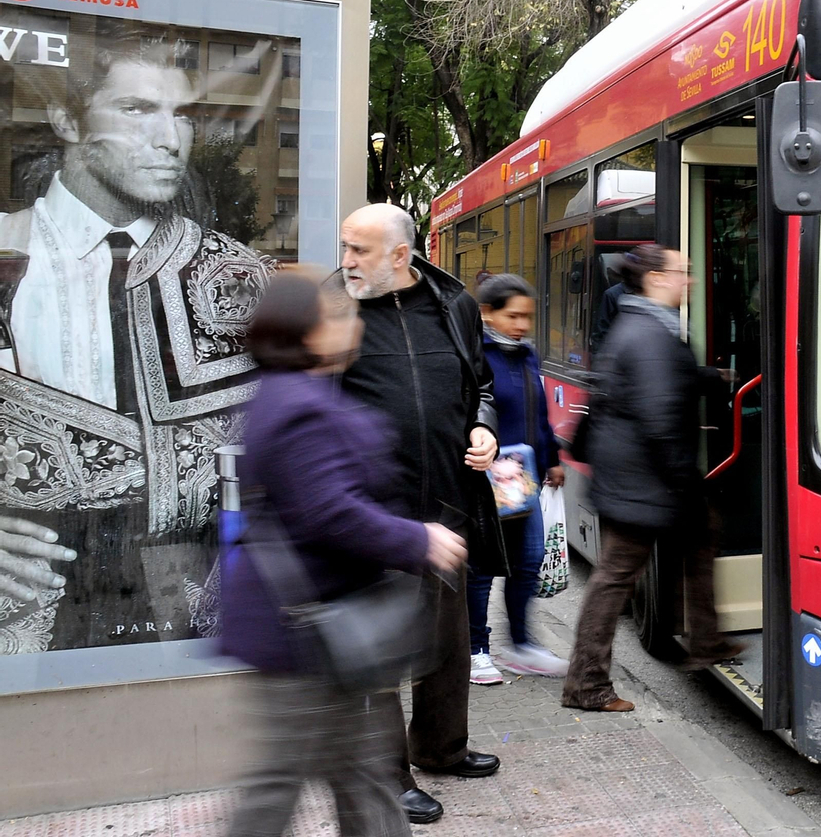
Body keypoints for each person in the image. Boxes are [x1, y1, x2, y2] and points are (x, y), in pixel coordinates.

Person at [0, 34, 271, 654]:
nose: (171, 140)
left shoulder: (236, 273)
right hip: (23, 610)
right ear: (67, 120)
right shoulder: (7, 252)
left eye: (183, 115)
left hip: (194, 605)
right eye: (136, 110)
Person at [221, 271, 467, 837]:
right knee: (279, 786)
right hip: (305, 634)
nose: (355, 326)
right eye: (341, 317)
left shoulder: (289, 392)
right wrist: (419, 538)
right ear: (310, 331)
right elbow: (329, 513)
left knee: (361, 776)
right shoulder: (301, 405)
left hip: (318, 631)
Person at [337, 203, 507, 825]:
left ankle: (440, 748)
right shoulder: (336, 308)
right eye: (346, 247)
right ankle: (387, 776)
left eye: (360, 250)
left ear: (401, 256)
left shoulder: (453, 304)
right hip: (373, 511)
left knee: (446, 640)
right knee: (379, 646)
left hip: (447, 503)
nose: (348, 261)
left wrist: (484, 429)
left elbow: (481, 387)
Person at [562, 245, 738, 713]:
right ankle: (587, 684)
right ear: (658, 279)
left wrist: (712, 377)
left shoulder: (638, 324)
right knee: (615, 578)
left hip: (635, 474)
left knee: (700, 542)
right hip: (646, 479)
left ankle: (706, 641)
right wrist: (685, 480)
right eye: (685, 272)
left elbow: (664, 379)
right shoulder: (651, 334)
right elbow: (659, 415)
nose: (691, 281)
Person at [467, 274, 568, 684]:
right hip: (484, 481)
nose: (522, 325)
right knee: (482, 571)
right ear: (486, 313)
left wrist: (553, 460)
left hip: (524, 483)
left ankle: (521, 646)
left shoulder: (527, 355)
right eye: (513, 316)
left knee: (527, 565)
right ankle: (476, 650)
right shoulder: (475, 355)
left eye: (527, 316)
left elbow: (539, 415)